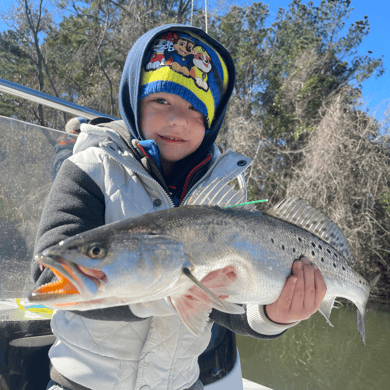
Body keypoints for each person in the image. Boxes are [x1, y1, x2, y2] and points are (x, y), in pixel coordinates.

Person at [32, 24, 327, 390]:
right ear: (133, 100)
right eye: (161, 100)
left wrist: (273, 316)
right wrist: (170, 294)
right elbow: (47, 279)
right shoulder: (89, 168)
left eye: (195, 109)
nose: (177, 119)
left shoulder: (224, 190)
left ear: (211, 121)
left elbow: (228, 303)